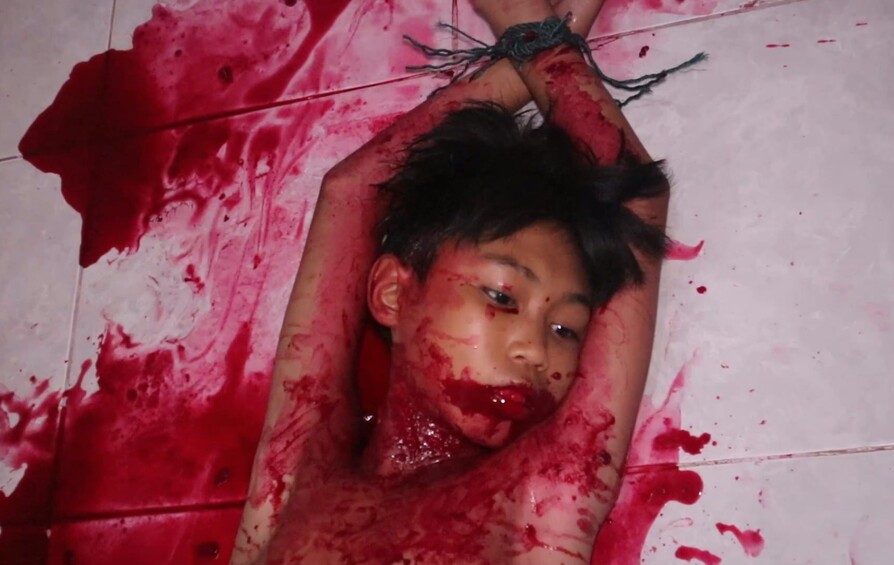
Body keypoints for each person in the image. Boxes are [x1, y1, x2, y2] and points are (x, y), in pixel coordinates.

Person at [232, 0, 672, 562]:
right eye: (502, 296)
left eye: (566, 328)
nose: (536, 351)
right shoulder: (293, 481)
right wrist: (535, 36)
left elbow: (638, 204)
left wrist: (531, 33)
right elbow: (352, 191)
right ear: (393, 293)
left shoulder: (540, 499)